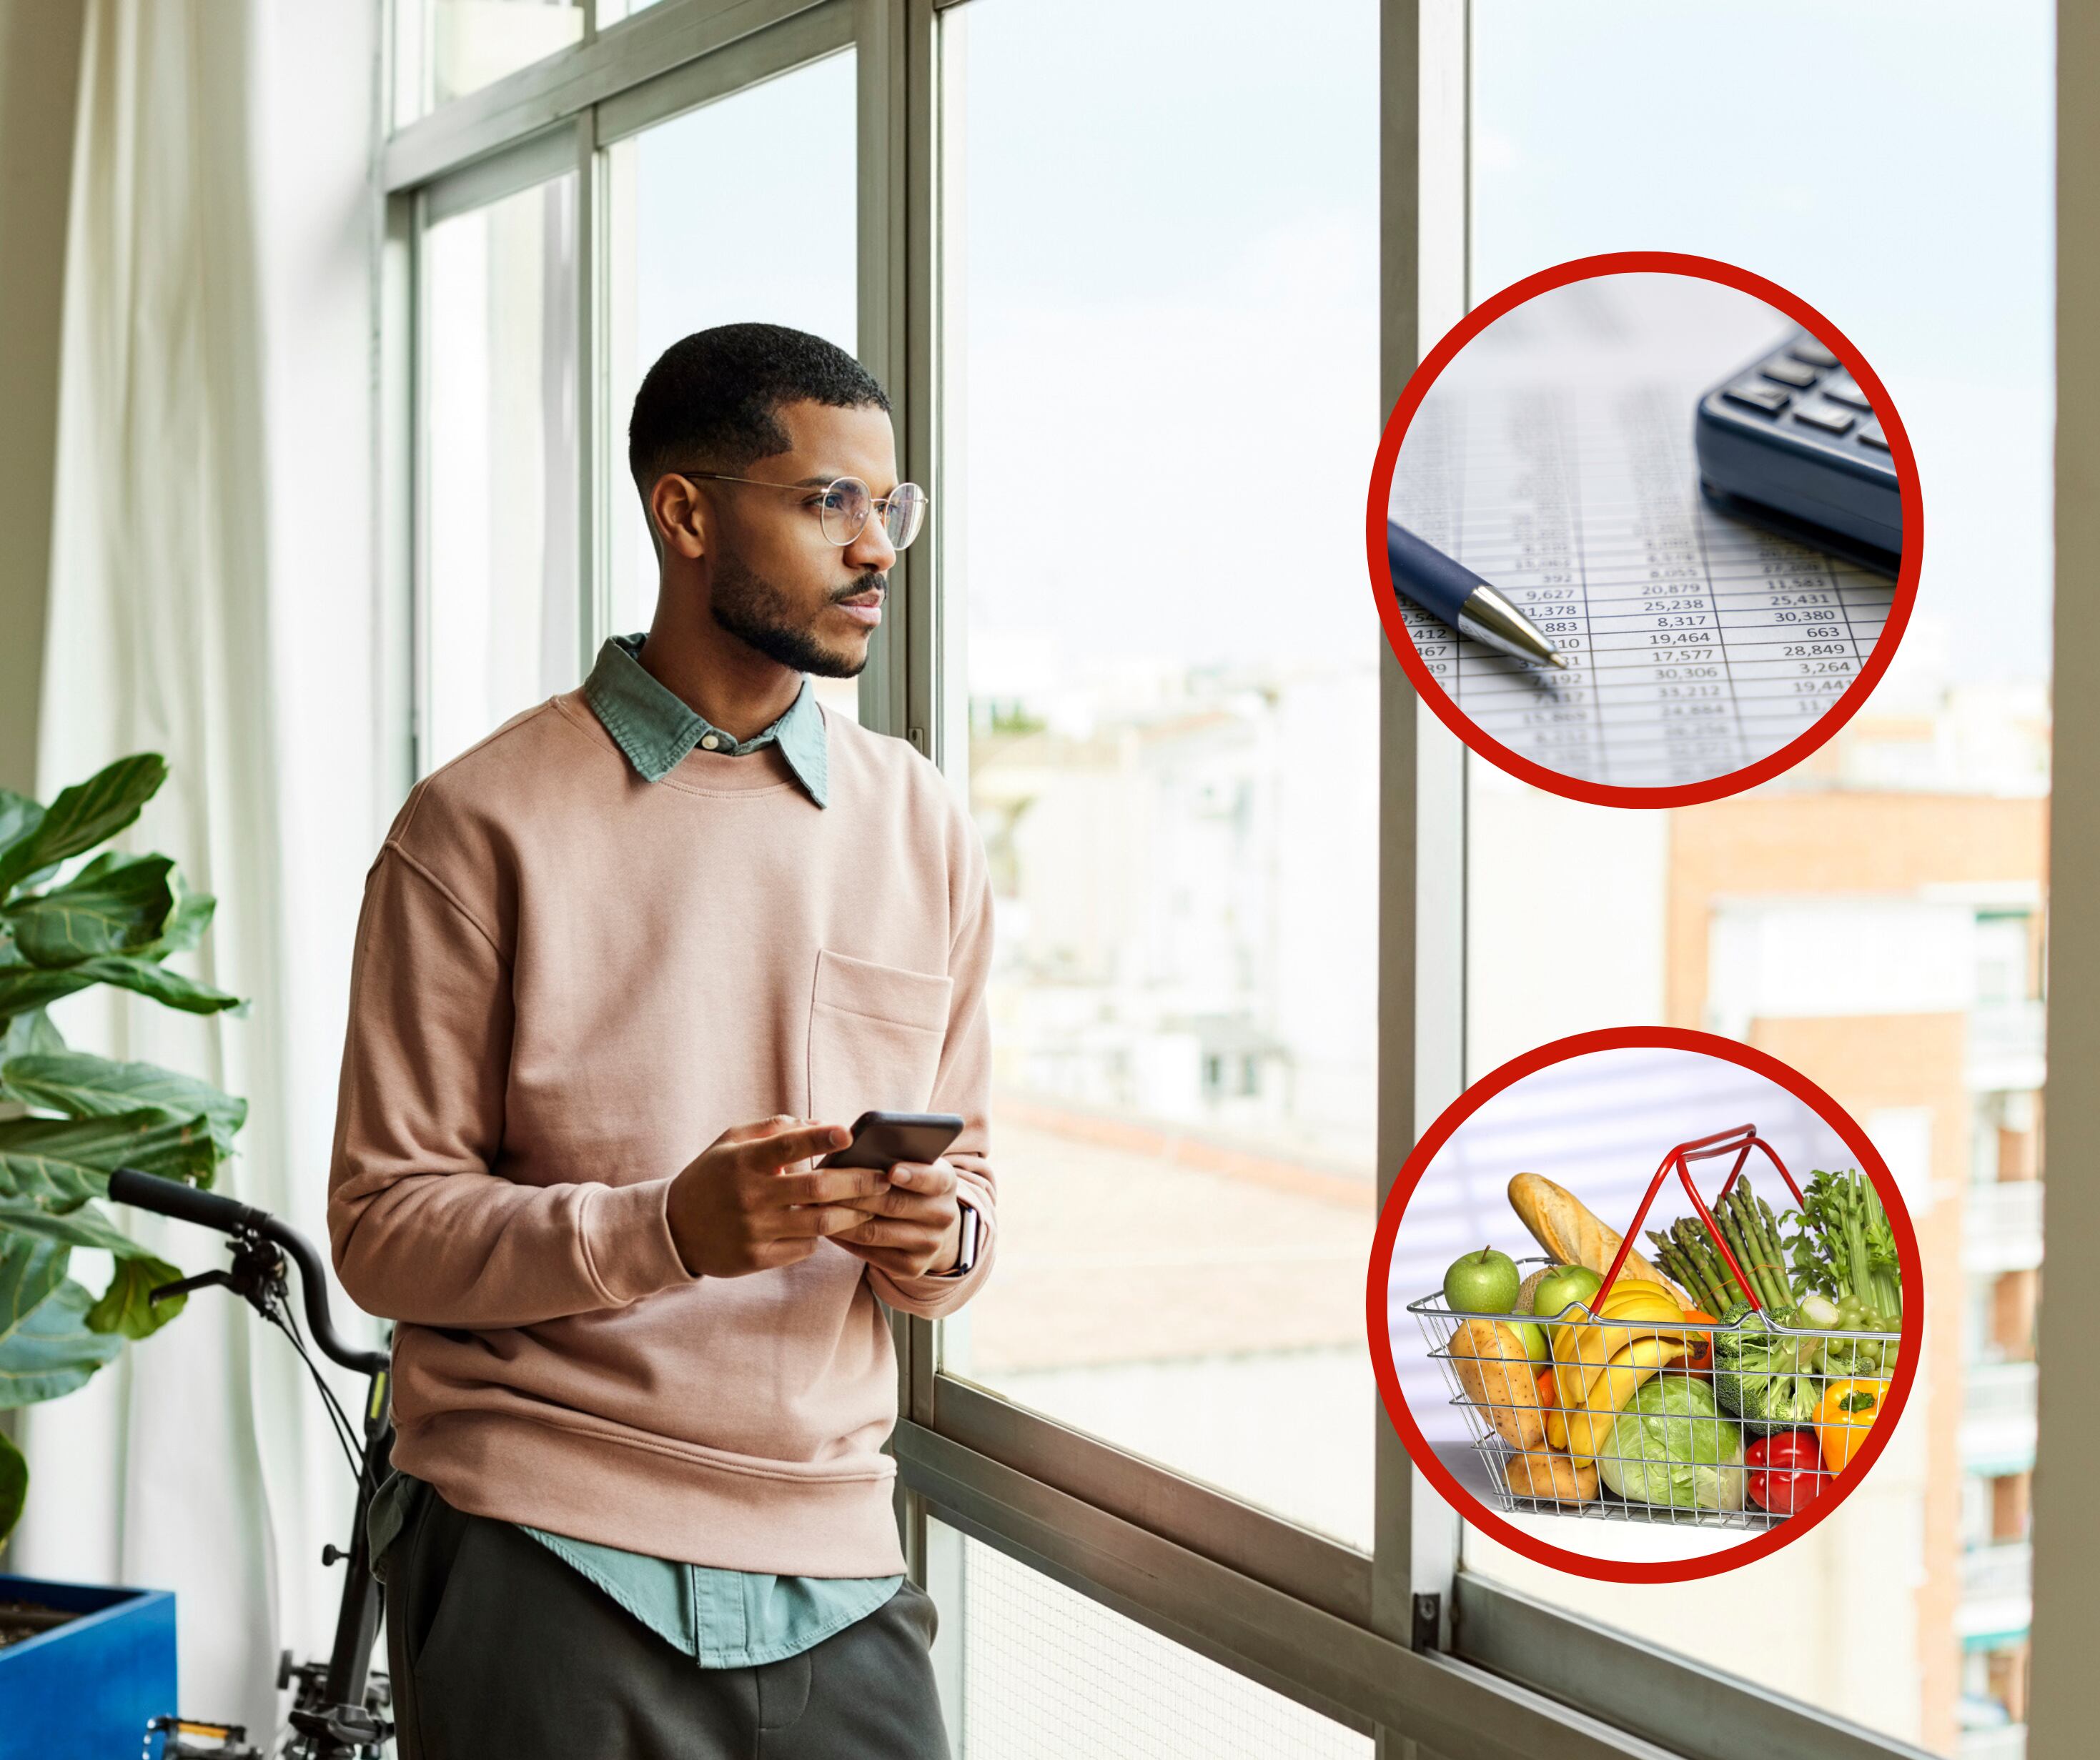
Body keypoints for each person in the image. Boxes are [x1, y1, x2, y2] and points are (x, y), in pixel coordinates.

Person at [326, 322, 996, 1759]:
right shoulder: (475, 825)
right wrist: (668, 1230)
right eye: (826, 501)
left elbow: (975, 1196)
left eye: (890, 507)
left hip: (839, 1560)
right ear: (684, 515)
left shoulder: (919, 821)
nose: (873, 549)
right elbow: (383, 1230)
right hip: (539, 1543)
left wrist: (938, 1235)